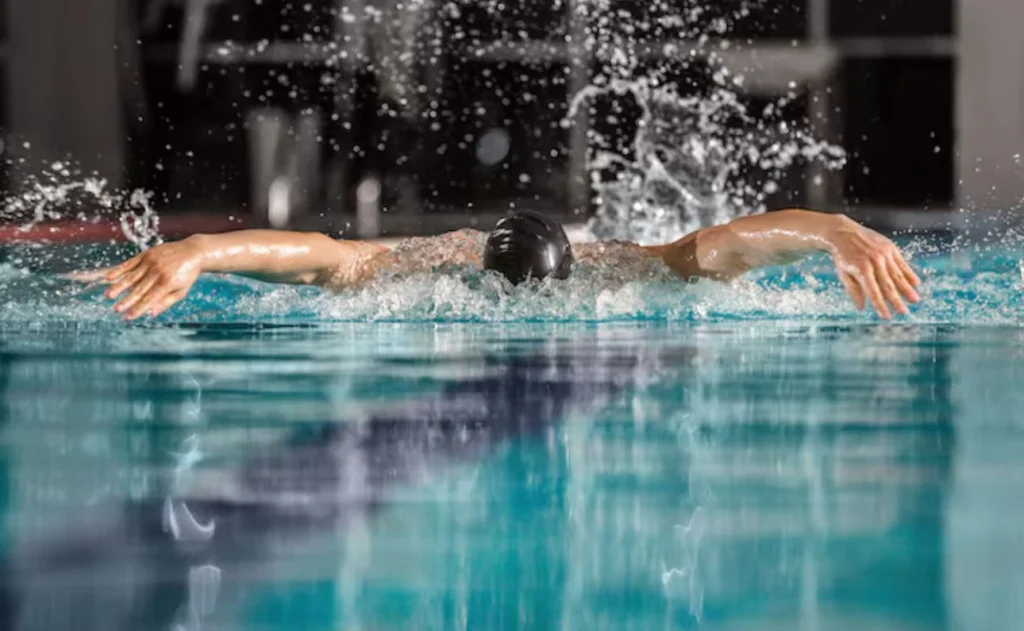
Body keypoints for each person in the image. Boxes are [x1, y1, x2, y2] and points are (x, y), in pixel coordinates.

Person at [76, 208, 922, 320]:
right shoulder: (421, 267)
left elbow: (728, 243)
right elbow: (324, 259)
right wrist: (201, 250)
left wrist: (832, 228)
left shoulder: (618, 269)